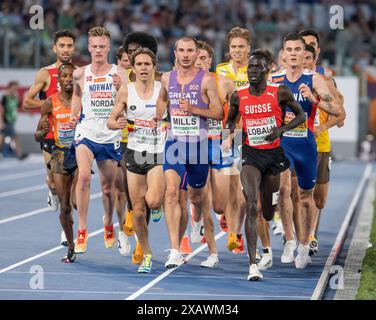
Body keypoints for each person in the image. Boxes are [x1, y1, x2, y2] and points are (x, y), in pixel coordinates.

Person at [227, 48, 305, 280]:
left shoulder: (279, 92)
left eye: (257, 67)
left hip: (273, 156)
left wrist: (281, 130)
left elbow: (300, 116)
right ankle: (253, 265)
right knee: (252, 204)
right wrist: (228, 137)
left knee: (268, 213)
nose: (252, 71)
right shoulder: (238, 95)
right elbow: (230, 120)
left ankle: (273, 217)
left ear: (267, 69)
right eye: (250, 67)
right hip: (251, 155)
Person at [272, 33, 341, 269]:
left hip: (307, 144)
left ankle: (304, 243)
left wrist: (315, 100)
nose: (292, 53)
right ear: (283, 54)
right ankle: (289, 240)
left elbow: (336, 108)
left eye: (297, 49)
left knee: (306, 197)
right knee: (283, 187)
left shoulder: (315, 79)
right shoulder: (274, 79)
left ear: (305, 54)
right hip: (283, 143)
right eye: (288, 49)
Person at [154, 36, 223, 269]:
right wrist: (159, 115)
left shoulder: (206, 80)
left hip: (199, 146)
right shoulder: (166, 78)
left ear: (196, 54)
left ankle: (199, 223)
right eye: (181, 50)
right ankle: (174, 249)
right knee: (171, 193)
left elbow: (218, 113)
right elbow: (162, 100)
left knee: (197, 197)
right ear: (175, 53)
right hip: (174, 143)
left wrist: (193, 109)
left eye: (190, 51)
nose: (185, 54)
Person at [108, 48, 167, 273]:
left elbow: (176, 116)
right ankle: (146, 253)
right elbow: (111, 121)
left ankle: (159, 203)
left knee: (152, 202)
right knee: (139, 210)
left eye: (147, 64)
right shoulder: (126, 91)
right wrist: (118, 124)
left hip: (157, 152)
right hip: (133, 152)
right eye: (139, 64)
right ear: (133, 67)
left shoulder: (163, 91)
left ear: (153, 67)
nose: (143, 68)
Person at [69, 27, 127, 254]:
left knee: (107, 189)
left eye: (102, 46)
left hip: (110, 134)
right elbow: (76, 94)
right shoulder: (80, 73)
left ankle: (108, 221)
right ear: (89, 47)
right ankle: (82, 229)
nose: (98, 50)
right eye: (94, 46)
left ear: (108, 47)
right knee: (83, 177)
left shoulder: (120, 72)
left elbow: (130, 100)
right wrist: (75, 113)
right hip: (87, 132)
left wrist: (121, 88)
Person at [299, 29, 346, 256]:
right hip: (297, 144)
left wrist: (323, 126)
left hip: (321, 146)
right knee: (297, 192)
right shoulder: (287, 78)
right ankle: (304, 238)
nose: (306, 55)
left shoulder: (325, 80)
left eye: (310, 48)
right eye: (302, 48)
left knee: (319, 199)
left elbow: (341, 115)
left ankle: (309, 234)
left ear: (316, 53)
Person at [24, 30, 76, 216]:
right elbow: (27, 101)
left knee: (69, 186)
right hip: (50, 135)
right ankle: (51, 190)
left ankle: (66, 229)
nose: (66, 49)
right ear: (55, 48)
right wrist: (50, 105)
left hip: (72, 137)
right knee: (55, 183)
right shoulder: (46, 73)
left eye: (69, 45)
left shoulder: (77, 74)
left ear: (74, 48)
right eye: (62, 45)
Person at [195, 40, 235, 268]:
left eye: (204, 58)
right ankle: (212, 253)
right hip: (194, 145)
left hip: (220, 144)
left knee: (219, 205)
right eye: (196, 58)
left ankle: (214, 215)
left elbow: (237, 115)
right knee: (202, 198)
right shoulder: (184, 84)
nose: (199, 62)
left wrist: (232, 138)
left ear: (210, 61)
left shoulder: (226, 84)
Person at [34, 63, 77, 263]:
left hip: (79, 152)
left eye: (71, 76)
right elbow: (38, 133)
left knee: (76, 202)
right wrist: (39, 133)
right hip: (59, 153)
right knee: (65, 207)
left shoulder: (82, 101)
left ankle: (81, 233)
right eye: (65, 76)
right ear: (58, 81)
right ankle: (70, 245)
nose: (68, 79)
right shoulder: (50, 103)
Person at [216, 27, 251, 254]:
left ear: (248, 48)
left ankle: (236, 228)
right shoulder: (220, 70)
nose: (237, 50)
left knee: (244, 193)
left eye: (241, 46)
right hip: (228, 134)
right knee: (230, 189)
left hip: (251, 135)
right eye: (233, 47)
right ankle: (233, 234)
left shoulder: (257, 69)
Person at [0, 81, 28, 160]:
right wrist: (1, 122)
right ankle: (20, 153)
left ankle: (19, 153)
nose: (16, 89)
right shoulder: (5, 96)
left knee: (2, 138)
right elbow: (1, 110)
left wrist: (29, 112)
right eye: (15, 87)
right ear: (10, 87)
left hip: (11, 121)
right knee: (15, 137)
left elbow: (19, 107)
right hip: (6, 121)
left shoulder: (15, 97)